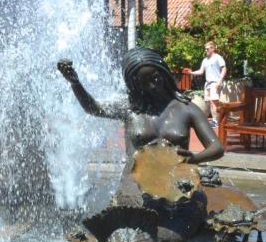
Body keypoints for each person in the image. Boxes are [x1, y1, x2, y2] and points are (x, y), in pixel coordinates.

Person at [58, 47, 223, 165]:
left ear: (164, 73)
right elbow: (93, 108)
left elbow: (216, 147)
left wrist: (194, 159)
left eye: (156, 77)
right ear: (136, 85)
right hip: (135, 187)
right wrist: (75, 83)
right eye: (145, 82)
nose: (154, 85)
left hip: (176, 182)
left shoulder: (187, 108)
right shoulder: (129, 108)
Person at [190, 41, 227, 128]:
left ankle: (216, 121)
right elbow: (201, 71)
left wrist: (219, 81)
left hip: (215, 82)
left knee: (214, 102)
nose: (206, 50)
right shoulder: (205, 60)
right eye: (205, 49)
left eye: (207, 48)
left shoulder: (218, 58)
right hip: (208, 84)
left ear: (213, 48)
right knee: (211, 103)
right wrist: (191, 72)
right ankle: (217, 119)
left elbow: (224, 69)